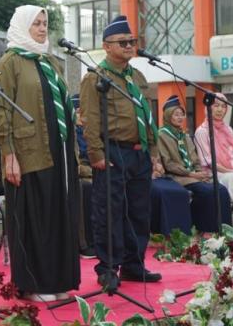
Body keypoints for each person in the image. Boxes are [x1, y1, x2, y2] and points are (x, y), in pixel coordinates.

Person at [0, 5, 80, 302]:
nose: (43, 29)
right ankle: (34, 285)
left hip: (59, 150)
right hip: (29, 152)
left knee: (57, 214)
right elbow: (1, 112)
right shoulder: (10, 62)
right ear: (22, 26)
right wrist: (8, 155)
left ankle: (57, 281)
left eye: (45, 23)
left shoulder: (50, 62)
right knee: (36, 216)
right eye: (36, 24)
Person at [79, 15, 162, 292]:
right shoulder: (95, 78)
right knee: (109, 213)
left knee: (139, 211)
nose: (129, 46)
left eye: (132, 41)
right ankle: (107, 268)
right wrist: (97, 155)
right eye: (123, 42)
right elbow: (89, 119)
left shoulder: (136, 76)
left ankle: (133, 264)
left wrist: (153, 150)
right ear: (106, 46)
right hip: (113, 152)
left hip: (139, 154)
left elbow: (147, 116)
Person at [158, 95, 232, 233]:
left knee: (221, 190)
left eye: (182, 114)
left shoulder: (184, 135)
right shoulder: (162, 135)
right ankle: (205, 229)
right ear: (168, 116)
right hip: (178, 177)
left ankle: (225, 231)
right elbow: (168, 164)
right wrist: (191, 174)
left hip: (194, 175)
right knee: (207, 192)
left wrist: (200, 173)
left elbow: (195, 158)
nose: (180, 118)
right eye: (176, 114)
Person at [71, 94, 95, 258]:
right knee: (85, 188)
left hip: (95, 169)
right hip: (81, 173)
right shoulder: (70, 131)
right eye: (78, 111)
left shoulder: (91, 130)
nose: (82, 114)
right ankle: (84, 242)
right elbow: (76, 163)